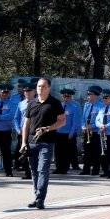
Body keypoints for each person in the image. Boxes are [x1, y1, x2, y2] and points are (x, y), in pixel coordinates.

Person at [20, 78, 66, 209]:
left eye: (44, 86)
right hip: (31, 142)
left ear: (49, 88)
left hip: (47, 142)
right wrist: (23, 142)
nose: (41, 89)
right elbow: (26, 124)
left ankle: (40, 198)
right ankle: (37, 196)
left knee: (43, 170)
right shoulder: (32, 103)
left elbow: (62, 121)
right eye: (39, 86)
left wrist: (47, 128)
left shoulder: (55, 103)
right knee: (34, 171)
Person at [54, 87, 80, 174]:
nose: (66, 98)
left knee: (66, 152)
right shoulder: (59, 105)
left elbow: (75, 121)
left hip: (68, 133)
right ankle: (58, 168)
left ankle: (64, 168)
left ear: (71, 97)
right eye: (65, 96)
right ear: (62, 96)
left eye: (68, 97)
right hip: (58, 132)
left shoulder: (74, 107)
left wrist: (72, 132)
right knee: (58, 152)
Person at [13, 82, 35, 180]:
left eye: (29, 91)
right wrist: (18, 130)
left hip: (33, 133)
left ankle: (34, 171)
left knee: (33, 153)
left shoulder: (38, 103)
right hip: (22, 132)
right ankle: (27, 172)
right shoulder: (21, 104)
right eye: (25, 91)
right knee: (23, 152)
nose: (27, 93)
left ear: (34, 92)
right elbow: (16, 118)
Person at [80, 86, 102, 176]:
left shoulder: (101, 105)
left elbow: (101, 120)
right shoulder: (87, 105)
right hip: (87, 131)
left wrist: (91, 126)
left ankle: (95, 170)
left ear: (96, 95)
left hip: (96, 132)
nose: (88, 96)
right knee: (87, 151)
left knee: (96, 152)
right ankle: (86, 169)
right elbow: (83, 117)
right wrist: (83, 127)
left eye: (90, 94)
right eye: (88, 94)